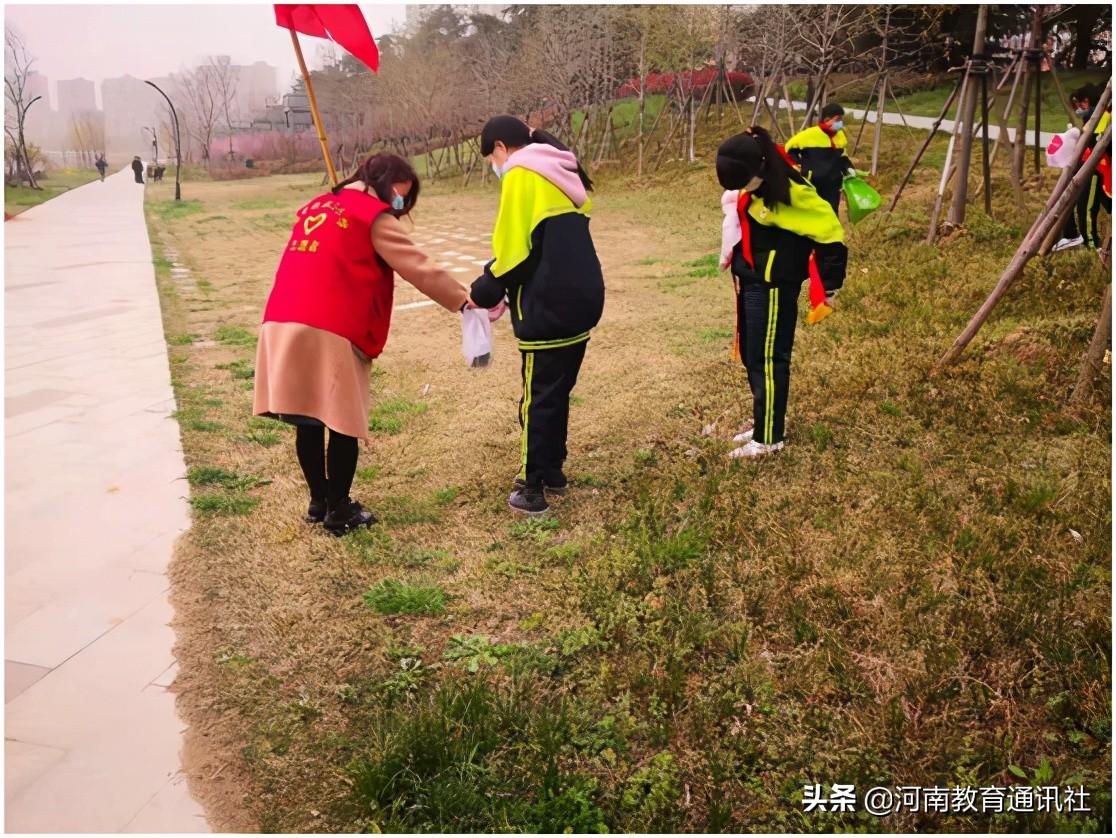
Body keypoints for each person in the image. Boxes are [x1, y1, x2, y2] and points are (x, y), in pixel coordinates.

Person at [253, 153, 472, 535]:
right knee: (341, 421)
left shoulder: (317, 205)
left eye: (402, 204)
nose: (397, 208)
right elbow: (418, 267)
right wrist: (463, 300)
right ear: (381, 184)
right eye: (397, 199)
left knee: (307, 418)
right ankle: (339, 509)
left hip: (283, 317)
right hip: (328, 324)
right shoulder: (371, 214)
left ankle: (318, 500)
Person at [469, 116, 605, 516]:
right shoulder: (560, 171)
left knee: (537, 398)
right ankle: (552, 469)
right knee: (557, 390)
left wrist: (483, 290)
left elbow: (514, 251)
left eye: (490, 158)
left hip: (548, 306)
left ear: (498, 147)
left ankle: (531, 487)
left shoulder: (520, 174)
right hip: (582, 300)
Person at [716, 126, 848, 458]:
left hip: (775, 285)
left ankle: (769, 437)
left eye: (743, 182)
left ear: (759, 168)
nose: (741, 190)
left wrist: (830, 286)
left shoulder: (793, 193)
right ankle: (766, 421)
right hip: (752, 280)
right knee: (751, 354)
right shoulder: (757, 188)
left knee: (769, 359)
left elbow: (831, 233)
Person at [1053, 83, 1112, 252]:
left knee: (1086, 208)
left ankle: (1091, 245)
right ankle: (1079, 238)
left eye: (1079, 105)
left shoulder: (1102, 115)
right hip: (1091, 166)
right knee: (1090, 205)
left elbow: (1095, 141)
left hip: (1096, 168)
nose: (1078, 109)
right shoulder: (1098, 115)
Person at [784, 103, 855, 215]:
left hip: (834, 182)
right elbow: (789, 149)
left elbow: (843, 156)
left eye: (841, 119)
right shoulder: (809, 134)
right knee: (813, 212)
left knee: (831, 211)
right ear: (827, 119)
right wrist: (800, 166)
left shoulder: (840, 135)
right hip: (813, 182)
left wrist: (849, 168)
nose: (840, 123)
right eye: (838, 119)